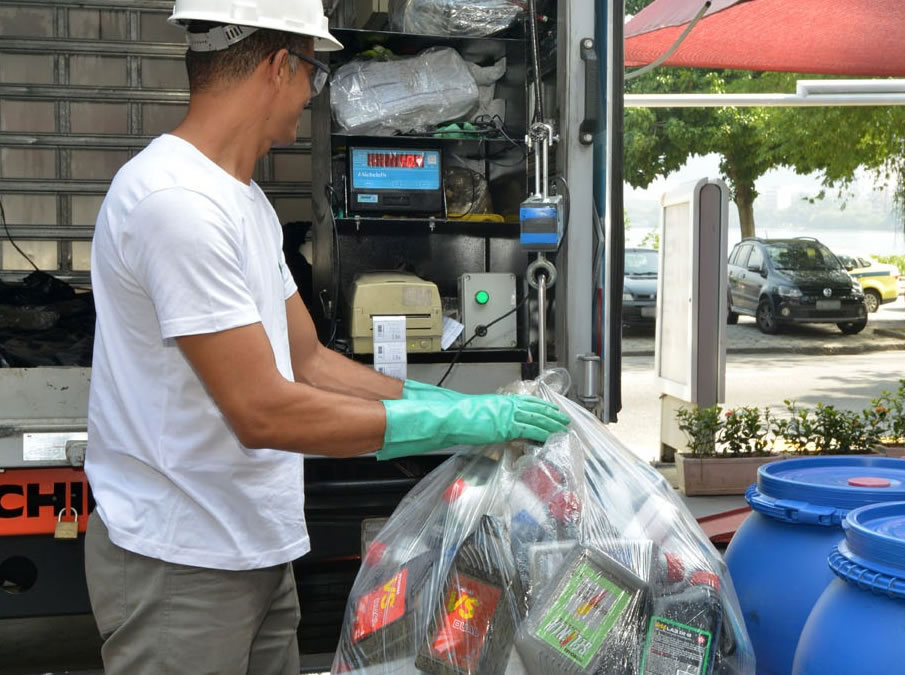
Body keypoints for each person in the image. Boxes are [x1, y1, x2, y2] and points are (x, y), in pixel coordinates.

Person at [83, 2, 569, 672]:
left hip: (253, 547)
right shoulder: (175, 203)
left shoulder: (241, 199)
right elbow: (262, 410)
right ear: (280, 65)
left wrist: (436, 401)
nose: (313, 94)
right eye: (314, 72)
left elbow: (306, 359)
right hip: (183, 563)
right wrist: (451, 424)